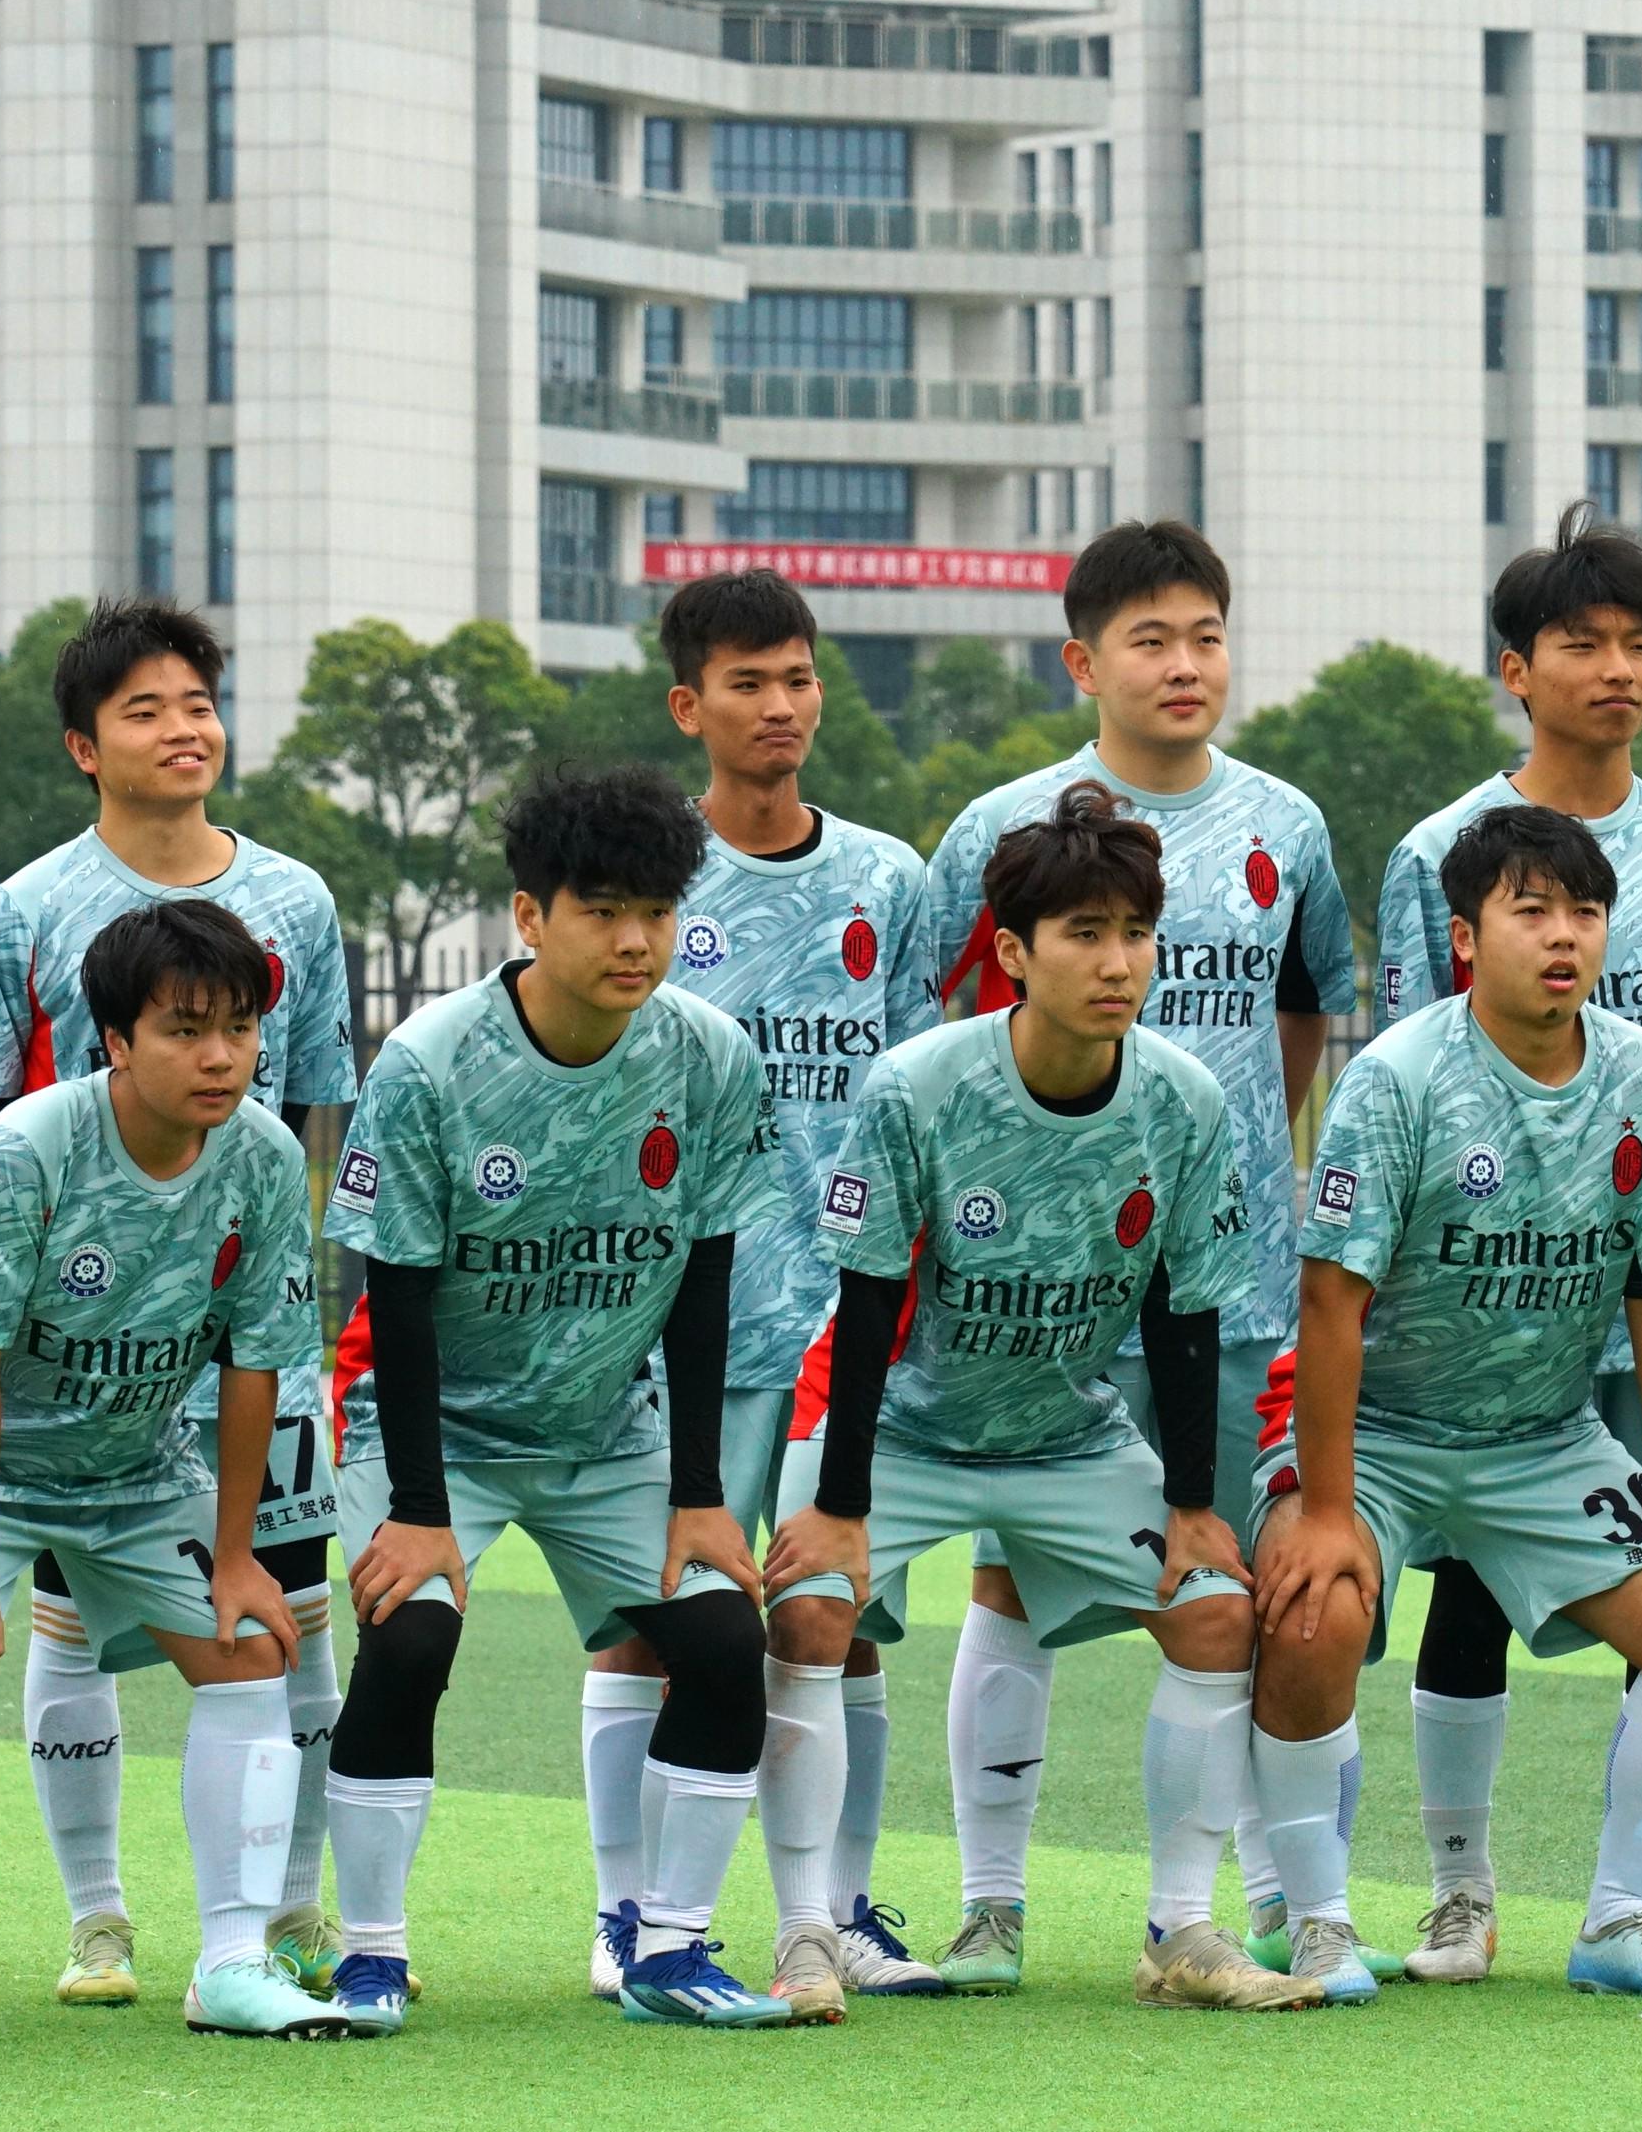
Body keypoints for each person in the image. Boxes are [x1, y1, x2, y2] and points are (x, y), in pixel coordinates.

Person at [0, 598, 357, 2013]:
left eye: (198, 701)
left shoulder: (297, 905)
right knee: (12, 1631)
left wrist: (209, 1270)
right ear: (84, 745)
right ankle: (28, 1937)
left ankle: (274, 1925)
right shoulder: (20, 915)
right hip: (39, 1359)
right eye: (145, 708)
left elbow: (300, 1117)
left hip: (209, 1331)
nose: (182, 728)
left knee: (285, 1619)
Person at [909, 522, 1351, 1992]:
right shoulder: (997, 829)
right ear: (1081, 663)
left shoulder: (1288, 826)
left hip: (1230, 1279)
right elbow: (938, 1032)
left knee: (1225, 1574)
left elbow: (1303, 1017)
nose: (1184, 665)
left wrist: (1225, 1168)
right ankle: (990, 1910)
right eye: (1149, 640)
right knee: (1011, 1579)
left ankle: (1221, 1914)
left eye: (1205, 635)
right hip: (1030, 1290)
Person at [1360, 511, 1642, 1977]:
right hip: (1488, 1304)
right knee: (1469, 1586)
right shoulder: (1438, 854)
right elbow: (1408, 1067)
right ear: (1515, 671)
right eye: (1583, 643)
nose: (1618, 669)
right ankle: (1460, 1893)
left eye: (1640, 644)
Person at [813, 783, 1314, 2009]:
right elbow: (867, 1306)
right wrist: (836, 1505)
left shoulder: (1184, 1100)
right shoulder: (917, 1086)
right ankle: (815, 1924)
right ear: (1010, 953)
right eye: (1083, 933)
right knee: (810, 1614)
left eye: (1134, 933)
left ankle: (1179, 1933)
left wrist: (1191, 1506)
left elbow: (1182, 1312)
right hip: (907, 1432)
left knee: (1213, 1614)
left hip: (1067, 1437)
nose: (1116, 962)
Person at [318, 764, 780, 2034]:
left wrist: (699, 1496)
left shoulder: (708, 1056)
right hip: (437, 1433)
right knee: (409, 1638)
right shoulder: (430, 1063)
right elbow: (393, 1297)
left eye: (657, 911)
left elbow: (702, 1279)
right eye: (602, 910)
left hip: (603, 1430)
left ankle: (669, 1950)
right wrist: (418, 1511)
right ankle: (369, 1953)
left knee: (723, 1643)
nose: (635, 940)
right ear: (529, 917)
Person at [1289, 802, 1642, 1999]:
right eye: (1530, 910)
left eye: (1584, 912)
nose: (1562, 935)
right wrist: (1327, 1509)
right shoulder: (1396, 1078)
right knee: (1308, 1613)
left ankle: (1621, 1920)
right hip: (1386, 1439)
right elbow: (1329, 1304)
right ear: (1463, 936)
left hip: (1543, 1441)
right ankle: (1316, 1923)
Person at [569, 567, 943, 2018]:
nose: (778, 706)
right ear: (689, 705)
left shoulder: (889, 881)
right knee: (653, 1614)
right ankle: (625, 1913)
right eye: (746, 683)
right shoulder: (650, 887)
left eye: (796, 678)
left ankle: (832, 1913)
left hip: (849, 1319)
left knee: (841, 1614)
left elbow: (925, 1097)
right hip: (680, 1318)